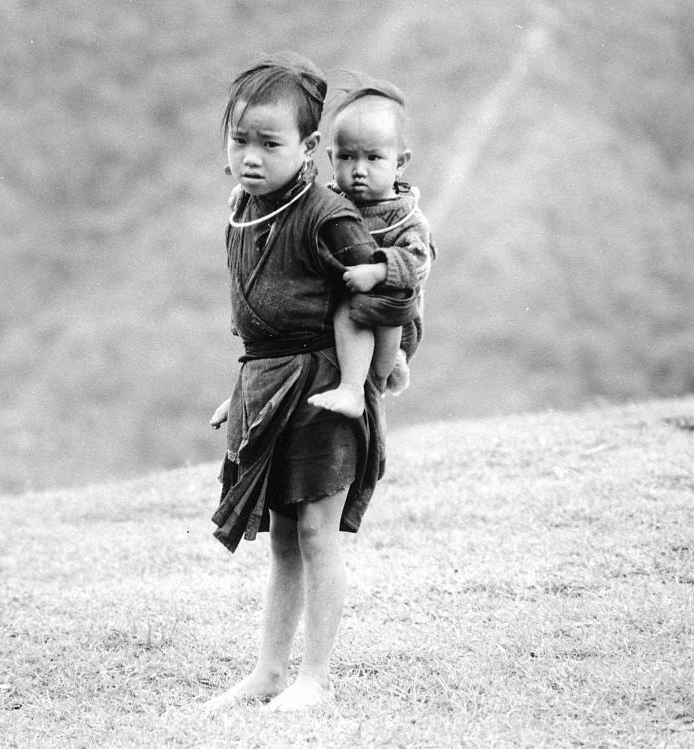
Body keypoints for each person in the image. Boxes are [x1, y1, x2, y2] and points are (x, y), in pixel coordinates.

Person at [205, 53, 387, 713]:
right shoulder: (247, 209)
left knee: (317, 532)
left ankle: (316, 677)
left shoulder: (327, 215)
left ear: (308, 147)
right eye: (240, 140)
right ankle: (268, 671)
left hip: (326, 390)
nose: (251, 156)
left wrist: (366, 375)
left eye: (269, 143)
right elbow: (263, 321)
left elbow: (375, 296)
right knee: (282, 538)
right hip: (269, 385)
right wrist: (247, 386)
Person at [307, 80, 435, 418]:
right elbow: (297, 209)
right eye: (347, 157)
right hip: (332, 313)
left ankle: (358, 388)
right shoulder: (330, 199)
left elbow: (420, 261)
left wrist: (379, 271)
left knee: (354, 306)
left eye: (373, 158)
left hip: (389, 323)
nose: (359, 170)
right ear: (332, 156)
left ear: (400, 163)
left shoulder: (404, 216)